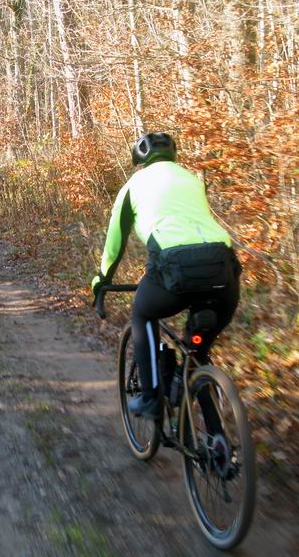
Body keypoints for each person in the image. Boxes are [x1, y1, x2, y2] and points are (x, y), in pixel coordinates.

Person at [91, 132, 241, 418]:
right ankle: (216, 439)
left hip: (174, 269)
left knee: (143, 314)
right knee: (196, 355)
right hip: (224, 270)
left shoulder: (133, 185)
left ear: (140, 161)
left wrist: (103, 280)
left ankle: (150, 398)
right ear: (173, 155)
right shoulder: (192, 180)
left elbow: (115, 242)